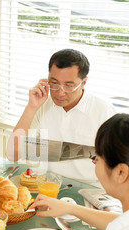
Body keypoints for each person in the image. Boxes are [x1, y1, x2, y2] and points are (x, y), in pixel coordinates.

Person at [6, 49, 116, 185]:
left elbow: (120, 167)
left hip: (92, 188)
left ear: (84, 82)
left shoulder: (104, 112)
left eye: (69, 86)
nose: (60, 92)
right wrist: (31, 107)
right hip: (51, 185)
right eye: (54, 83)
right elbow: (13, 154)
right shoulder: (42, 105)